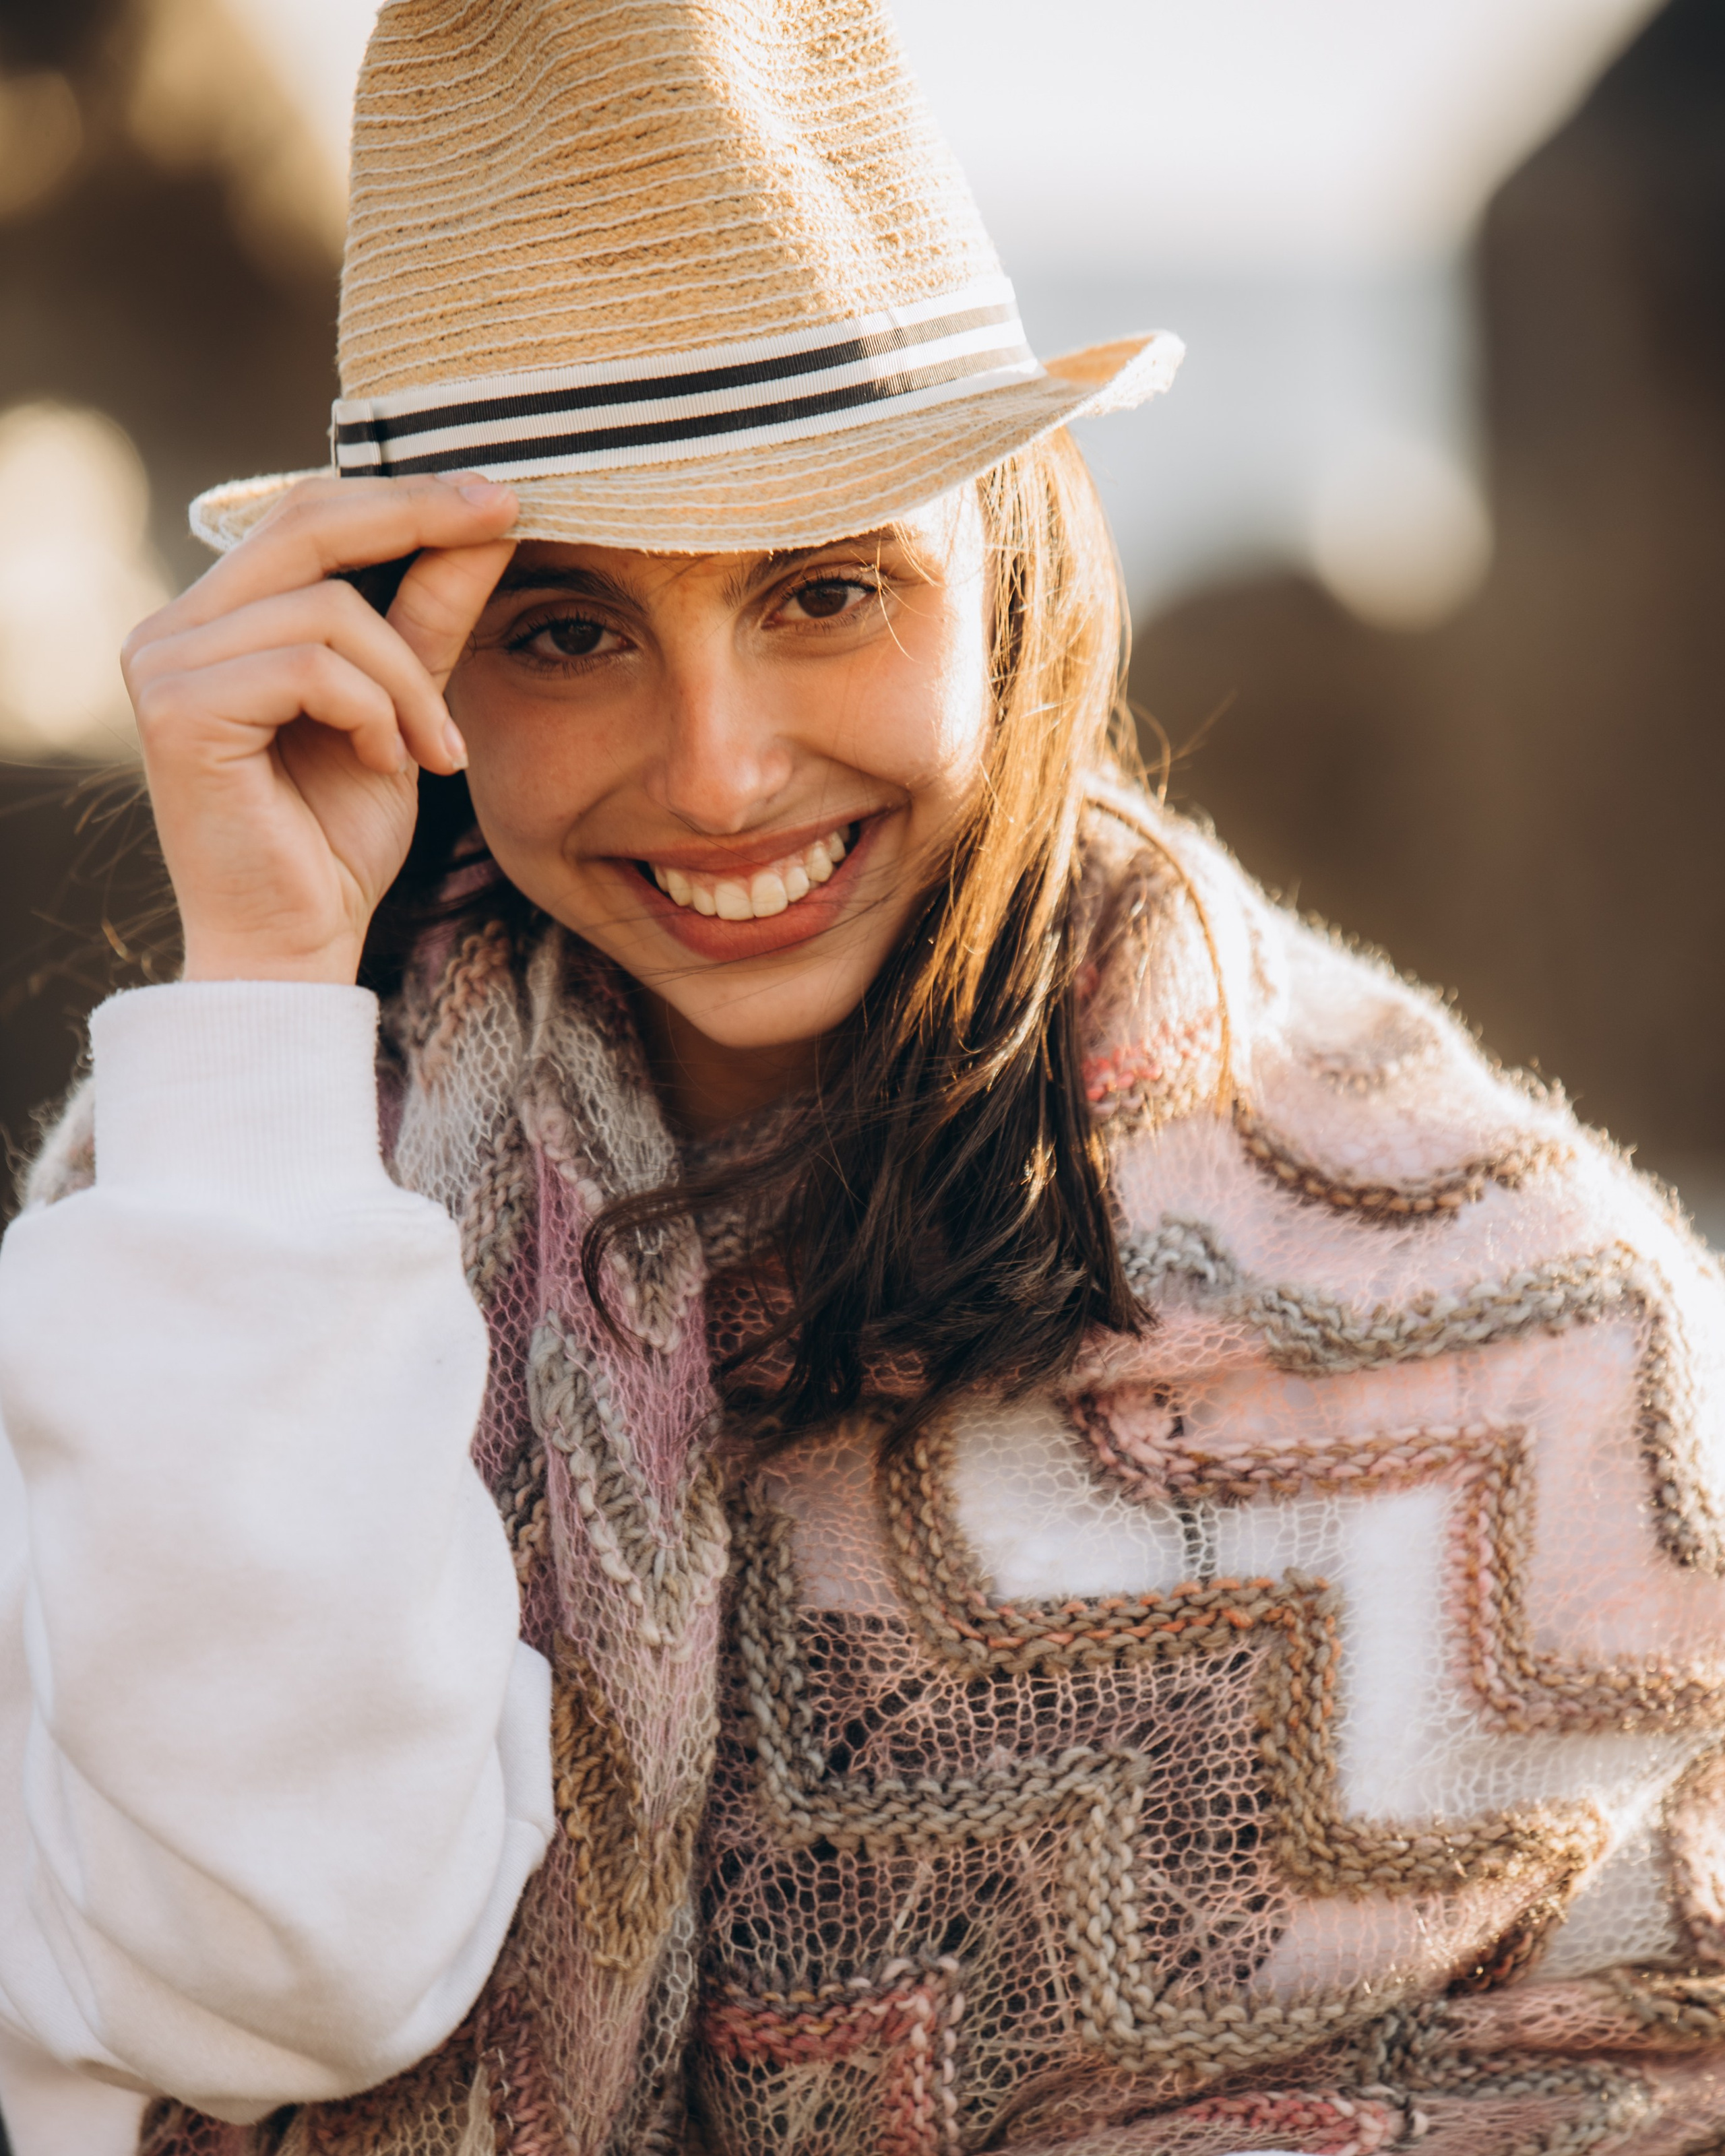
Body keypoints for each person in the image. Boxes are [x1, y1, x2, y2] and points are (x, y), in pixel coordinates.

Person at [5, 2, 1725, 2153]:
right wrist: (263, 985)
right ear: (406, 665)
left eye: (826, 592)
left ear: (1013, 574)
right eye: (564, 631)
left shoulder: (1518, 1333)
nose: (720, 772)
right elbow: (254, 1980)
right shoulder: (216, 1198)